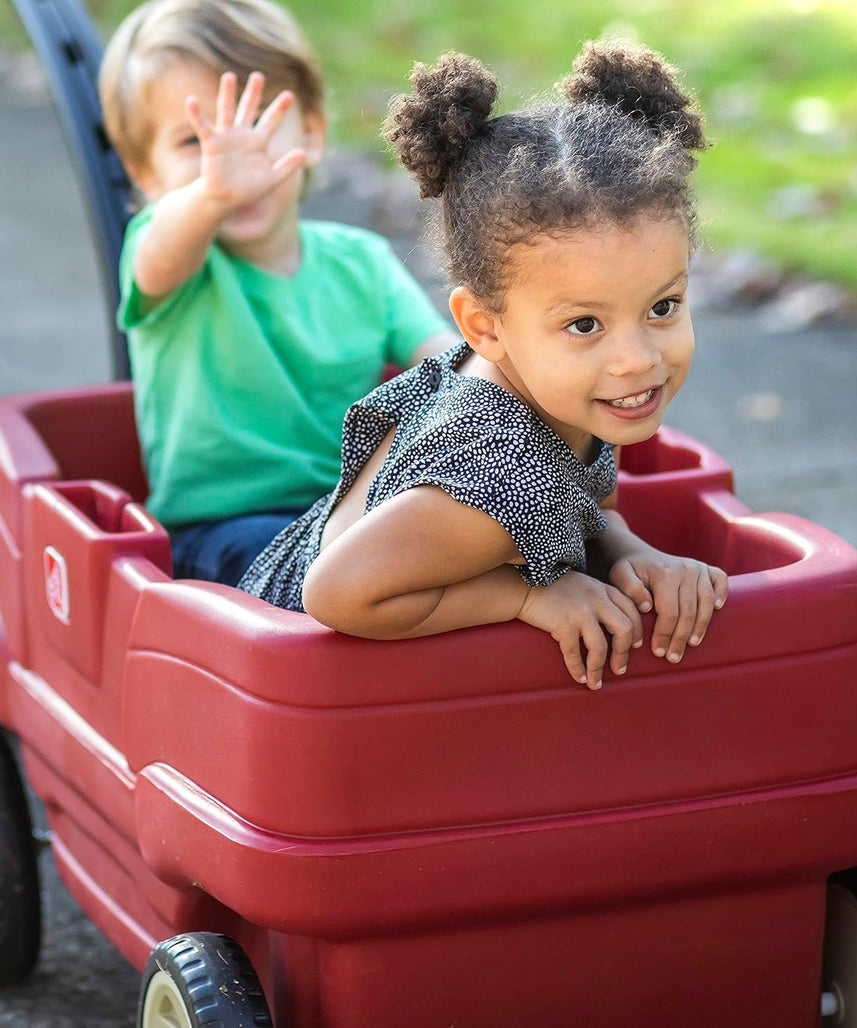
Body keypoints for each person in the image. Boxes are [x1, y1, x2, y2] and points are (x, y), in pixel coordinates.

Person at [238, 41, 729, 689]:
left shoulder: (564, 393)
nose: (636, 359)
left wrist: (630, 554)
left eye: (662, 306)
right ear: (483, 327)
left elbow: (588, 500)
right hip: (280, 682)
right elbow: (336, 590)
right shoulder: (495, 473)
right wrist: (525, 599)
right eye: (584, 324)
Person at [97, 0, 456, 586]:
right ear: (147, 177)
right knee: (355, 575)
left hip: (355, 513)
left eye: (258, 124)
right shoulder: (170, 258)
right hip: (223, 530)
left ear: (312, 134)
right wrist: (211, 196)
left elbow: (450, 364)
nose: (233, 158)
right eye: (196, 140)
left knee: (452, 538)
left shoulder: (361, 263)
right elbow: (160, 254)